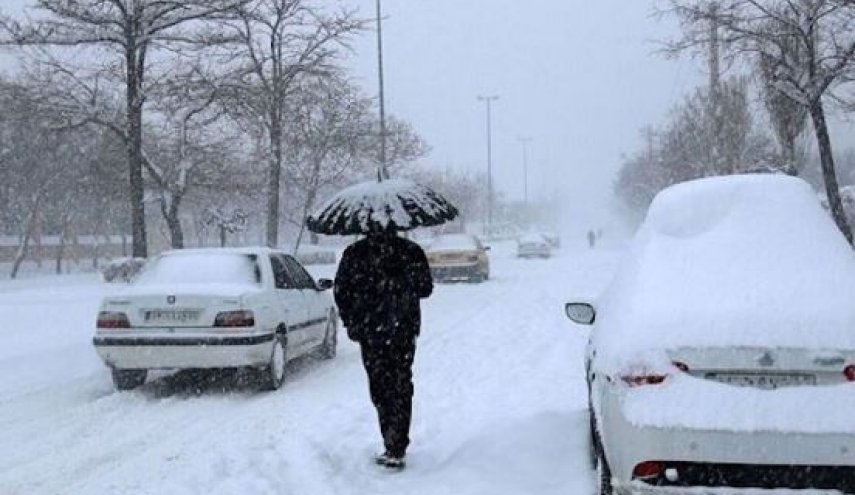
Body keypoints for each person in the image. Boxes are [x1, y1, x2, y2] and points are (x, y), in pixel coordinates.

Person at [334, 230, 433, 470]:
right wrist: (402, 280)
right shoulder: (410, 251)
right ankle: (396, 444)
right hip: (403, 331)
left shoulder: (355, 253)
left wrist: (353, 323)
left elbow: (341, 293)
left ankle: (391, 439)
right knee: (400, 383)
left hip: (372, 333)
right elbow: (425, 288)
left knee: (380, 385)